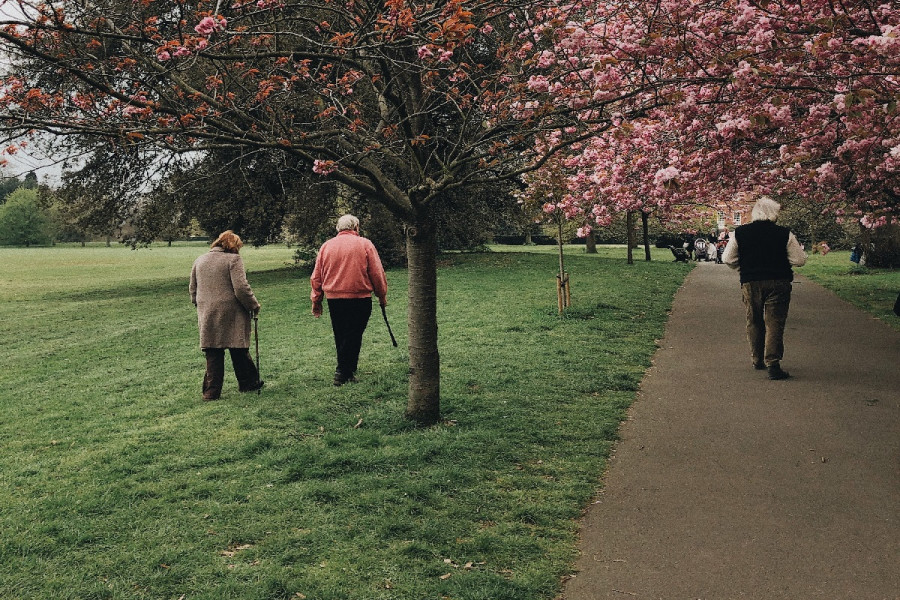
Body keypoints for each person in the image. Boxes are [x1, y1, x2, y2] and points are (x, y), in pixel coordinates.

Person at [722, 196, 807, 380]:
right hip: (778, 281)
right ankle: (773, 363)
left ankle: (757, 358)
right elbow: (799, 260)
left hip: (751, 282)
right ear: (773, 213)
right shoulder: (784, 234)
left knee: (754, 320)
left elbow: (727, 259)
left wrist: (744, 267)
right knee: (774, 321)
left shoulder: (740, 233)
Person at [310, 214, 388, 386]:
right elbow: (377, 273)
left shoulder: (326, 246)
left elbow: (317, 276)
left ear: (338, 228)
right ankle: (343, 371)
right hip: (359, 298)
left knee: (342, 334)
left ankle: (347, 370)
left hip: (335, 299)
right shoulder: (365, 244)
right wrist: (382, 295)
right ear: (356, 227)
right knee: (353, 334)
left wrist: (316, 299)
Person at [190, 230, 263, 400]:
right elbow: (241, 288)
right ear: (233, 245)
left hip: (207, 311)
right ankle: (248, 383)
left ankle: (211, 392)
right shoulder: (233, 259)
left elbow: (193, 288)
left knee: (213, 351)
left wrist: (199, 304)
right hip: (232, 311)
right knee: (238, 347)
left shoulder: (200, 259)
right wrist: (254, 305)